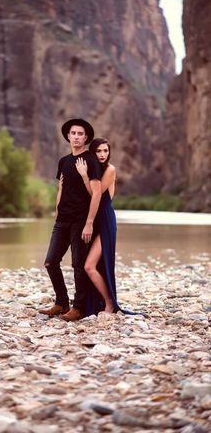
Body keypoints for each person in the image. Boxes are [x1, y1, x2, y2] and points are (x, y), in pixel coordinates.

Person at [40, 119, 102, 322]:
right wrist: (57, 210)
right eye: (73, 133)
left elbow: (96, 194)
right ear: (68, 136)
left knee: (78, 265)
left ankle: (79, 307)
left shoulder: (91, 161)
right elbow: (61, 188)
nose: (76, 136)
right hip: (62, 220)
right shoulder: (64, 161)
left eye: (80, 134)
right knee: (50, 261)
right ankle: (61, 302)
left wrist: (89, 222)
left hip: (80, 221)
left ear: (86, 138)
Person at [75, 137, 140, 316]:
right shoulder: (95, 169)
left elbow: (94, 194)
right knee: (87, 264)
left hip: (105, 220)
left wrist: (83, 176)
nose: (103, 154)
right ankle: (93, 302)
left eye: (106, 151)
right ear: (93, 153)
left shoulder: (110, 170)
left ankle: (110, 303)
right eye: (99, 151)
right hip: (94, 219)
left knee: (90, 266)